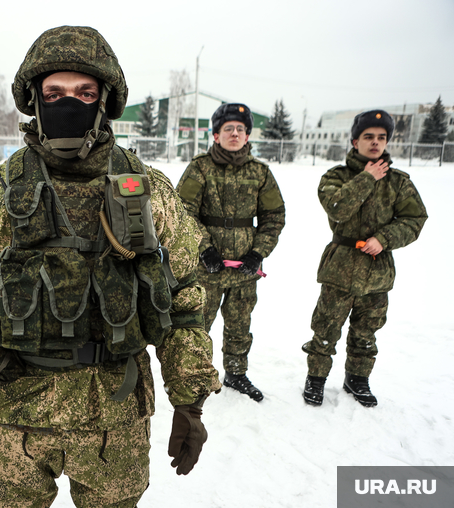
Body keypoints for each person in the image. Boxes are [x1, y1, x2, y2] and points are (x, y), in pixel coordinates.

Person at [0, 26, 221, 508]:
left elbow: (183, 301)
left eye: (84, 92)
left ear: (104, 102)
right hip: (15, 419)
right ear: (34, 100)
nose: (67, 104)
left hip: (114, 420)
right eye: (53, 93)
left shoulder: (148, 191)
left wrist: (191, 397)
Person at [301, 110, 427, 407]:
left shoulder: (398, 182)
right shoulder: (336, 176)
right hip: (340, 267)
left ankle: (357, 379)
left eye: (381, 137)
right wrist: (366, 178)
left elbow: (415, 218)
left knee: (367, 331)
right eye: (368, 137)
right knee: (325, 327)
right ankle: (316, 378)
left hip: (377, 270)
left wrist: (384, 239)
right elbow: (337, 208)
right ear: (355, 140)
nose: (375, 143)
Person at [176, 103, 285, 402]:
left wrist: (258, 254)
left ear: (247, 135)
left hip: (243, 270)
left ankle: (236, 373)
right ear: (215, 135)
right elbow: (182, 212)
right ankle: (195, 377)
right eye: (228, 128)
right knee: (198, 325)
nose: (234, 133)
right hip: (206, 268)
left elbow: (274, 216)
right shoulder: (199, 168)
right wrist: (204, 248)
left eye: (240, 129)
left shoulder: (260, 172)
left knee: (240, 324)